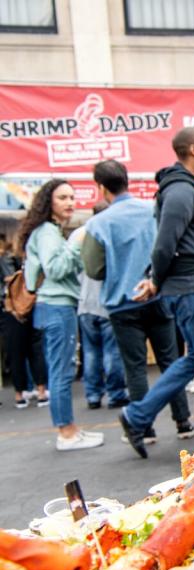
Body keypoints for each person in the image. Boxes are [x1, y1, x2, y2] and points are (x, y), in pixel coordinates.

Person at [119, 127, 194, 457]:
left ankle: (137, 415)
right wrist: (155, 278)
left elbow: (174, 242)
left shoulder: (185, 189)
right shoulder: (182, 190)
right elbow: (165, 241)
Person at [82, 159, 194, 443]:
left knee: (135, 367)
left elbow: (93, 269)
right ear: (127, 180)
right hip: (158, 295)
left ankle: (144, 429)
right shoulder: (151, 210)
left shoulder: (97, 223)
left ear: (100, 187)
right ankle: (183, 422)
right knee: (171, 361)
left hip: (123, 303)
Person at [19, 179, 103, 451]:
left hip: (56, 306)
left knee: (62, 369)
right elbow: (54, 268)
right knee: (61, 371)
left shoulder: (48, 231)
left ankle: (70, 429)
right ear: (49, 202)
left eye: (72, 197)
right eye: (63, 197)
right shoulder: (47, 232)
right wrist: (75, 243)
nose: (70, 202)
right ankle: (66, 433)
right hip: (56, 306)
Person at [77, 200, 129, 410]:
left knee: (91, 351)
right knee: (112, 351)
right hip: (108, 303)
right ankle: (116, 394)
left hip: (84, 302)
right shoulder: (111, 234)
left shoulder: (79, 234)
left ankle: (93, 395)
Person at [1, 232, 48, 410]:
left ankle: (20, 394)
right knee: (35, 350)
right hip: (29, 305)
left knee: (16, 353)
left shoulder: (7, 259)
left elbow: (8, 281)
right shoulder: (26, 260)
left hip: (11, 309)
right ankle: (41, 390)